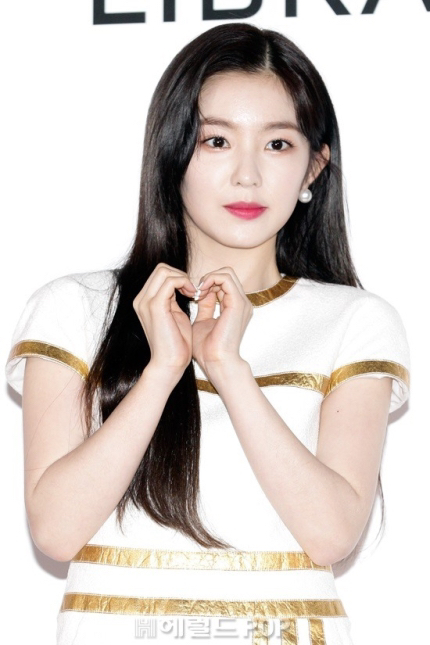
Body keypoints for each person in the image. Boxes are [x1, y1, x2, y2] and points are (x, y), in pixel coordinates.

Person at [5, 22, 410, 645]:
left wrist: (228, 368)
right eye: (216, 140)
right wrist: (162, 371)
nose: (247, 175)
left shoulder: (354, 320)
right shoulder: (76, 309)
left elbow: (331, 534)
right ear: (172, 154)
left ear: (314, 168)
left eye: (278, 144)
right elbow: (56, 531)